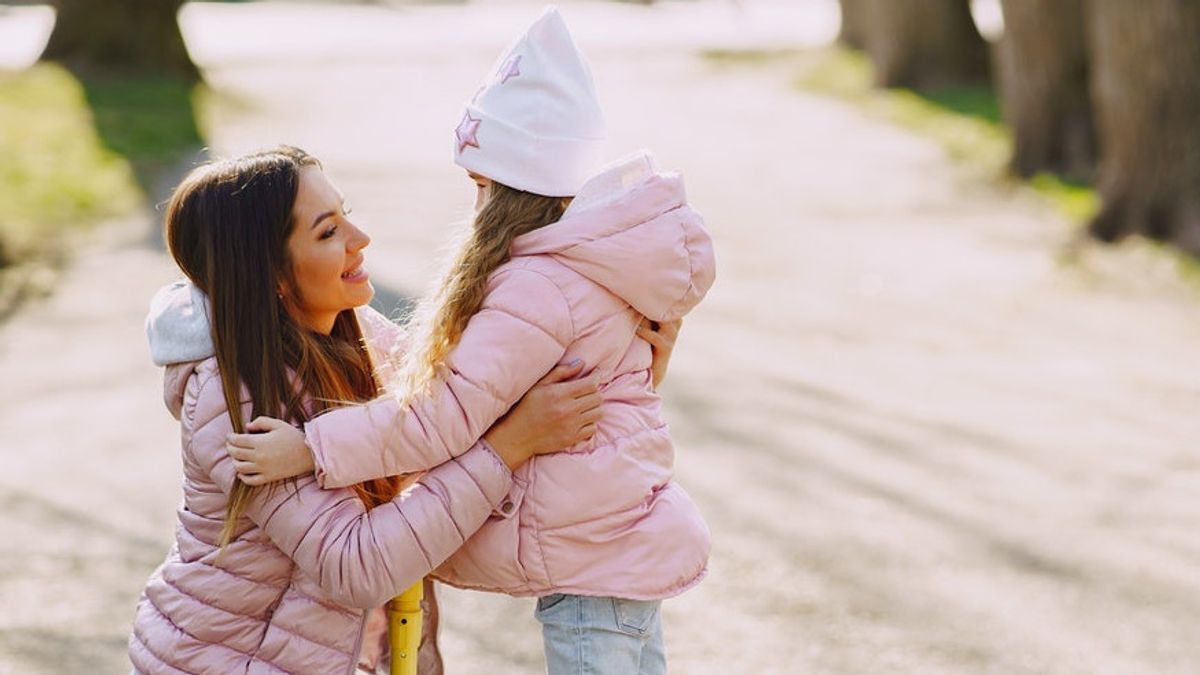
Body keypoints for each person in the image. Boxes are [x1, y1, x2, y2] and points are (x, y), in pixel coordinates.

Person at [232, 7, 717, 673]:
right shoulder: (597, 265)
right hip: (619, 541)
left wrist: (310, 447)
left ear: (507, 187)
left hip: (593, 562)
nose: (476, 207)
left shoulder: (537, 286)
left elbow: (443, 415)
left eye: (481, 187)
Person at [129, 145, 605, 674]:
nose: (360, 240)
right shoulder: (234, 395)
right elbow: (354, 565)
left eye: (345, 216)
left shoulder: (357, 335)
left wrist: (642, 342)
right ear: (271, 276)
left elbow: (470, 405)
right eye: (328, 232)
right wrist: (511, 444)